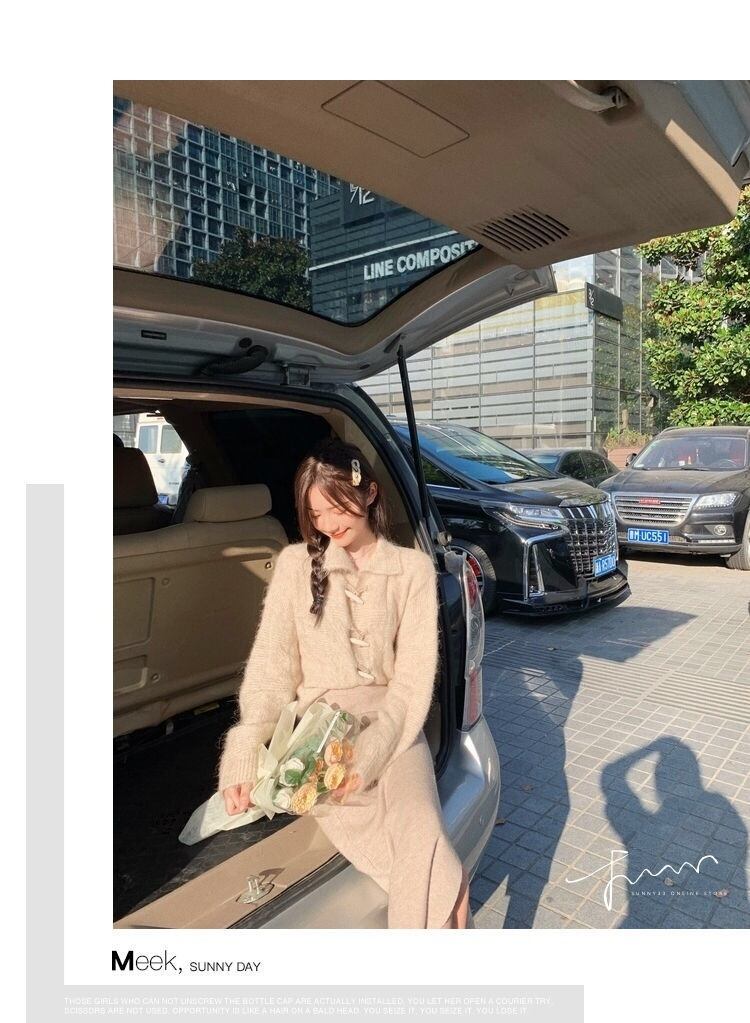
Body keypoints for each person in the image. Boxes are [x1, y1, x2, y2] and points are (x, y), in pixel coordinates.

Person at [217, 437, 470, 928]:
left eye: (338, 508)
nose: (329, 524)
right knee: (445, 884)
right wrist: (246, 743)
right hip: (323, 739)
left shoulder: (413, 570)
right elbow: (272, 667)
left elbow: (413, 678)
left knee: (423, 832)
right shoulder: (295, 565)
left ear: (369, 493)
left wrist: (376, 747)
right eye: (316, 514)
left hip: (396, 725)